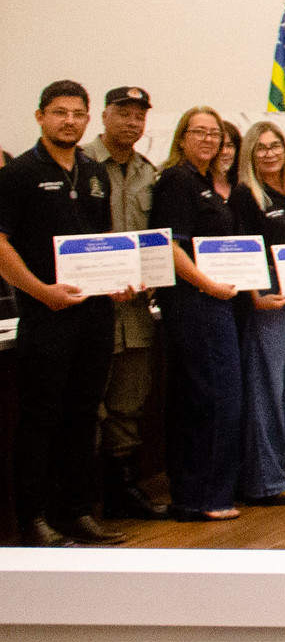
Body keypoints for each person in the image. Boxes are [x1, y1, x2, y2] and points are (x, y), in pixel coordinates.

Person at [0, 82, 128, 546]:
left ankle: (75, 512)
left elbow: (105, 238)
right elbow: (0, 244)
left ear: (87, 120)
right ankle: (33, 519)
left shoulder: (94, 172)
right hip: (47, 314)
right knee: (41, 418)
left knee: (82, 414)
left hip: (93, 316)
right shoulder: (17, 174)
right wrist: (41, 291)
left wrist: (118, 280)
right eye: (59, 113)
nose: (69, 121)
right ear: (40, 117)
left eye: (77, 114)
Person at [147, 106, 245, 523]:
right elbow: (170, 245)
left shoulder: (205, 183)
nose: (209, 140)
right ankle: (200, 495)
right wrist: (207, 285)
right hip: (194, 302)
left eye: (216, 134)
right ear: (182, 136)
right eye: (199, 132)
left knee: (214, 396)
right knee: (210, 397)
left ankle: (205, 492)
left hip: (214, 300)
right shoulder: (176, 181)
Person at [84, 85, 167, 520]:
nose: (132, 123)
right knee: (86, 401)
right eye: (124, 114)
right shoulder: (79, 166)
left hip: (134, 310)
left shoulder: (146, 172)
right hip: (88, 307)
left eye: (140, 116)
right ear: (104, 115)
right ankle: (81, 498)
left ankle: (122, 490)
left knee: (128, 402)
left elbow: (154, 238)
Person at [230, 122, 285, 508]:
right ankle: (263, 480)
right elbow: (244, 250)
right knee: (267, 391)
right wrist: (254, 297)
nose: (269, 153)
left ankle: (278, 469)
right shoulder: (247, 194)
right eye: (260, 147)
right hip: (266, 302)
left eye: (275, 145)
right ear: (250, 152)